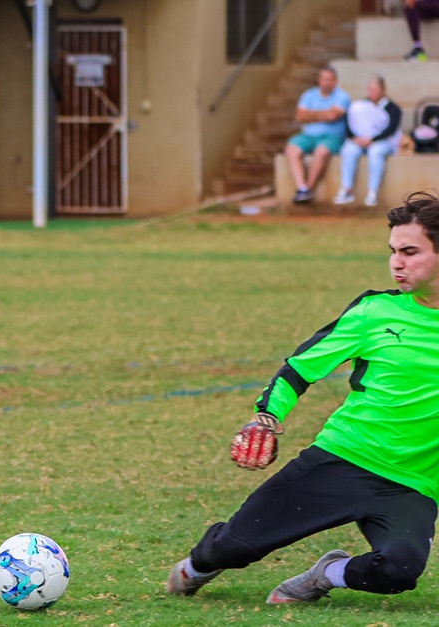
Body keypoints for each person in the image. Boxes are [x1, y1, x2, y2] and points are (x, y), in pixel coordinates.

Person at [166, 191, 439, 605]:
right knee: (235, 547)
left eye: (410, 251)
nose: (396, 262)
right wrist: (266, 418)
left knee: (399, 569)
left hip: (411, 485)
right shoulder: (374, 313)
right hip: (342, 458)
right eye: (393, 251)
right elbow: (299, 369)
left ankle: (326, 573)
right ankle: (200, 563)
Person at [284, 67, 350, 204]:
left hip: (332, 137)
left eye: (330, 80)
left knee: (321, 152)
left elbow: (333, 116)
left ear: (336, 81)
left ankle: (308, 188)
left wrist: (311, 114)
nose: (326, 83)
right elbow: (300, 116)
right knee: (292, 149)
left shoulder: (342, 96)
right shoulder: (309, 94)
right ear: (319, 80)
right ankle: (302, 188)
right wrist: (324, 114)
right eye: (324, 79)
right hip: (308, 136)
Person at [334, 76, 402, 208]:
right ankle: (346, 189)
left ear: (383, 90)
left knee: (375, 152)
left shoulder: (393, 108)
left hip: (382, 142)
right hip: (360, 141)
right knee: (349, 150)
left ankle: (372, 192)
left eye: (375, 89)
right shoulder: (360, 106)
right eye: (370, 89)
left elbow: (391, 129)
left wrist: (372, 139)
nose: (372, 92)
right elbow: (350, 124)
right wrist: (356, 138)